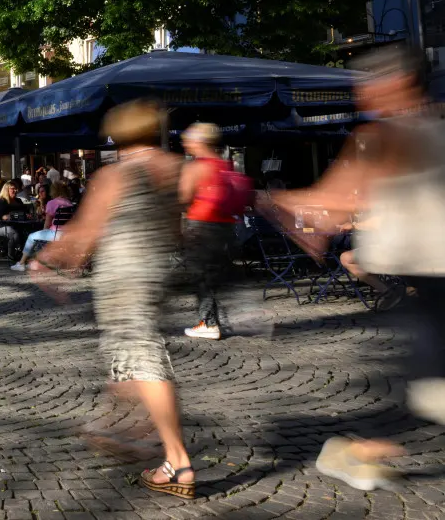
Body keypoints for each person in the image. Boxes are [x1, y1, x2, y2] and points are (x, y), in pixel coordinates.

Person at [265, 46, 445, 491]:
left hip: (432, 270)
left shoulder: (388, 133)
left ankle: (365, 451)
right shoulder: (422, 126)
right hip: (430, 273)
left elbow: (341, 195)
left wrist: (281, 204)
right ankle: (366, 450)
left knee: (429, 371)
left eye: (369, 82)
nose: (361, 92)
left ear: (397, 83)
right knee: (428, 371)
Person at [32, 100, 194, 499]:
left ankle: (177, 460)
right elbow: (177, 229)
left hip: (123, 273)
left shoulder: (116, 174)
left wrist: (47, 261)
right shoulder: (176, 169)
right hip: (158, 269)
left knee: (143, 355)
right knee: (132, 352)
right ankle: (122, 423)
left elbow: (85, 233)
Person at [180, 123, 248, 341]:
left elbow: (183, 197)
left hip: (200, 225)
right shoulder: (225, 164)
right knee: (213, 274)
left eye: (188, 139)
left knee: (201, 277)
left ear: (199, 142)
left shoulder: (196, 167)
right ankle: (214, 319)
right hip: (225, 227)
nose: (185, 143)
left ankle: (208, 323)